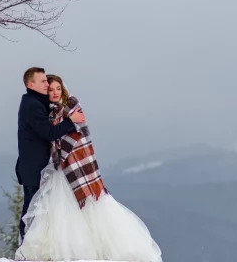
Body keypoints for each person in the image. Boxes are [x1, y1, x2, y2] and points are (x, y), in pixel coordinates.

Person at [15, 74, 162, 262]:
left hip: (75, 167)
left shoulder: (71, 108)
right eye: (50, 89)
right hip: (59, 169)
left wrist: (66, 145)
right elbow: (51, 135)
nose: (54, 92)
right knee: (56, 210)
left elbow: (81, 137)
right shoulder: (47, 112)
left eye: (57, 89)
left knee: (85, 208)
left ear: (63, 90)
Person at [15, 67, 86, 240]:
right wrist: (71, 121)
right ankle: (26, 247)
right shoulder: (32, 106)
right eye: (43, 82)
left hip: (36, 167)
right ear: (31, 84)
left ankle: (32, 245)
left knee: (39, 208)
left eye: (47, 81)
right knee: (32, 209)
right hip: (33, 169)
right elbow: (49, 133)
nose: (47, 85)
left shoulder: (37, 102)